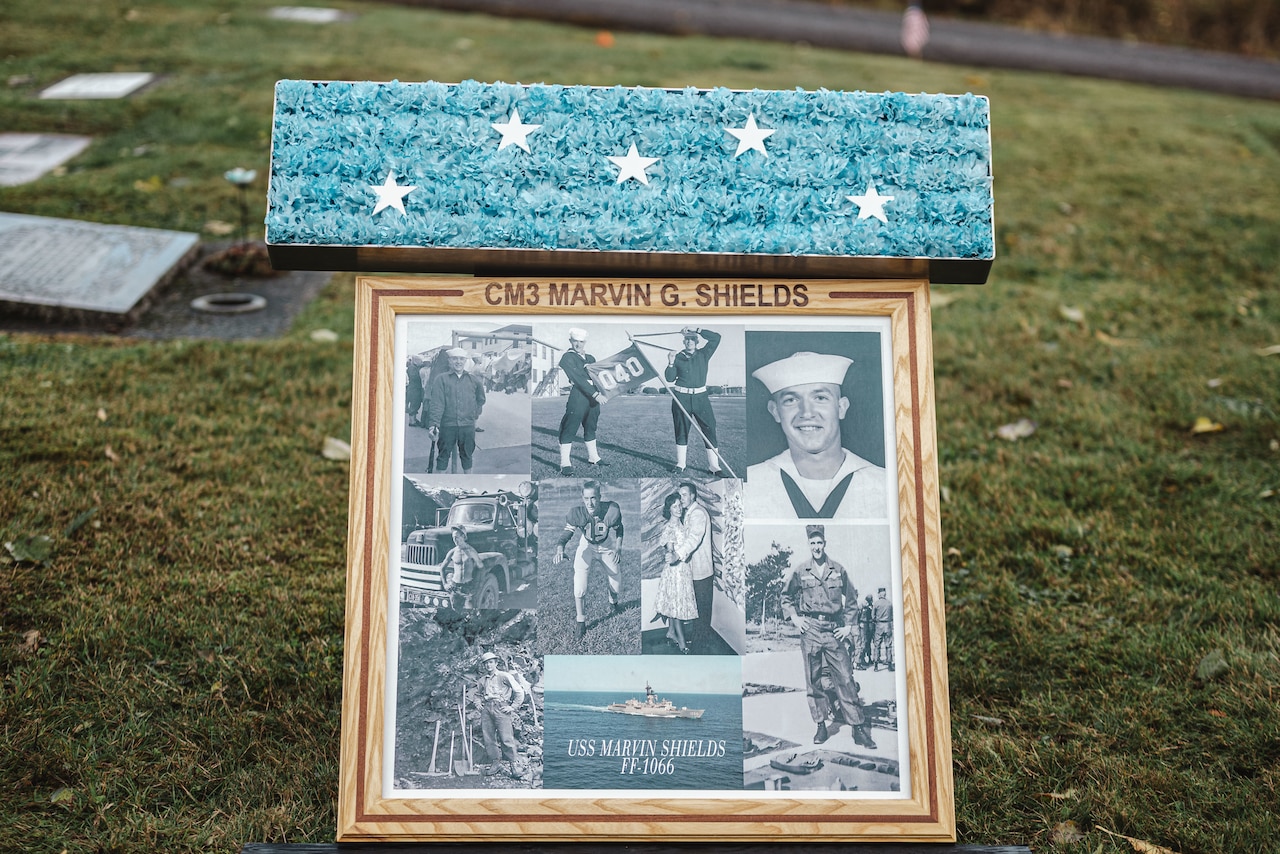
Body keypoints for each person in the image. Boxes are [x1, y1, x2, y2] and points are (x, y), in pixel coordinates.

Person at [746, 351, 887, 519]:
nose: (806, 413)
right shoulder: (749, 486)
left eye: (820, 398)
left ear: (841, 407)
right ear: (775, 411)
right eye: (791, 400)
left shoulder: (886, 485)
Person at [780, 525, 876, 748]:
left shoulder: (838, 570)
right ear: (809, 545)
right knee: (814, 681)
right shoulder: (802, 571)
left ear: (825, 544)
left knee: (845, 678)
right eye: (812, 543)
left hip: (833, 629)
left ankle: (858, 728)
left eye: (819, 543)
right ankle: (821, 725)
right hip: (811, 628)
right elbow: (786, 597)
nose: (816, 547)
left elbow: (851, 600)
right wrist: (795, 617)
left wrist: (848, 626)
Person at [554, 481, 624, 639]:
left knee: (616, 584)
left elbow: (619, 528)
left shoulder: (611, 510)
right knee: (579, 586)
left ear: (599, 497)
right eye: (586, 498)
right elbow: (568, 532)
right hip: (587, 546)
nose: (590, 503)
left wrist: (618, 549)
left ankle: (613, 603)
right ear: (582, 498)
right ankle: (581, 621)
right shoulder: (576, 513)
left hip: (606, 546)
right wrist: (560, 548)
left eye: (593, 498)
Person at [665, 326, 726, 477]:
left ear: (697, 341)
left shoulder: (704, 354)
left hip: (701, 398)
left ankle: (714, 466)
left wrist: (697, 329)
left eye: (692, 339)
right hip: (681, 398)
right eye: (687, 339)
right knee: (681, 430)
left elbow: (716, 337)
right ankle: (681, 464)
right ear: (684, 341)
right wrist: (671, 362)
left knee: (709, 429)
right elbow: (669, 378)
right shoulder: (678, 356)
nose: (689, 342)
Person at [425, 347, 486, 474]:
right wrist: (433, 425)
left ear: (465, 361)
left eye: (461, 359)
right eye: (454, 359)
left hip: (467, 427)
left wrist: (471, 414)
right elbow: (437, 404)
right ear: (449, 361)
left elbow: (481, 400)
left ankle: (468, 484)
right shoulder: (441, 379)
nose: (458, 362)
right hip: (447, 426)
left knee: (467, 457)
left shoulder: (473, 380)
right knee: (442, 458)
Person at [557, 327, 608, 477]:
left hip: (593, 397)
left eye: (581, 341)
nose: (578, 344)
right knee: (570, 427)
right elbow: (578, 379)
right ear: (570, 341)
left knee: (591, 426)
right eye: (575, 341)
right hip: (579, 395)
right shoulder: (567, 357)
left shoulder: (591, 358)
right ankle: (565, 463)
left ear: (585, 342)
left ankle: (594, 457)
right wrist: (594, 393)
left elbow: (599, 376)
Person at [670, 481, 714, 652]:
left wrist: (677, 555)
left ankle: (699, 648)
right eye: (680, 495)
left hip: (702, 571)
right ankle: (697, 644)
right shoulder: (688, 513)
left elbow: (693, 539)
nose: (681, 499)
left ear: (693, 495)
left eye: (684, 495)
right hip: (693, 570)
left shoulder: (698, 514)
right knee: (697, 611)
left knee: (702, 613)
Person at [653, 492, 697, 653]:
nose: (679, 508)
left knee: (674, 605)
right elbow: (670, 553)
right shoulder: (670, 527)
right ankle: (682, 642)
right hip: (675, 571)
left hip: (683, 569)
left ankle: (671, 632)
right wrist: (672, 554)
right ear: (669, 509)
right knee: (677, 608)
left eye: (679, 505)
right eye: (675, 506)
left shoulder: (682, 524)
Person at [477, 651, 527, 778]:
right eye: (486, 663)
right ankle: (496, 763)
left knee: (506, 737)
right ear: (483, 665)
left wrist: (512, 707)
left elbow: (519, 692)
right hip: (487, 709)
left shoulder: (504, 676)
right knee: (488, 738)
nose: (488, 665)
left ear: (496, 663)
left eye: (491, 662)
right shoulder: (482, 680)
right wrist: (478, 704)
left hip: (501, 708)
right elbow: (477, 695)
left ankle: (514, 765)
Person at [440, 525, 483, 608]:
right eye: (453, 537)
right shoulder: (452, 552)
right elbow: (442, 568)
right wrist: (445, 584)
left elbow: (481, 568)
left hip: (468, 587)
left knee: (469, 612)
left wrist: (478, 585)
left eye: (457, 537)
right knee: (455, 612)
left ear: (463, 536)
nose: (455, 540)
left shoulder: (471, 551)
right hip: (454, 587)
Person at [872, 587, 895, 672]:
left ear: (879, 594)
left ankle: (876, 666)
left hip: (879, 625)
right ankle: (889, 665)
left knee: (877, 645)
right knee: (888, 645)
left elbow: (872, 616)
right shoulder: (889, 603)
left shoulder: (876, 603)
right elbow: (892, 616)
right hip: (888, 625)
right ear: (884, 594)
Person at [857, 594, 876, 670]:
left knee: (868, 643)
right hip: (863, 625)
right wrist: (859, 623)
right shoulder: (862, 606)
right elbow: (858, 615)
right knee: (864, 642)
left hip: (869, 625)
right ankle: (861, 659)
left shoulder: (871, 606)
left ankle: (868, 658)